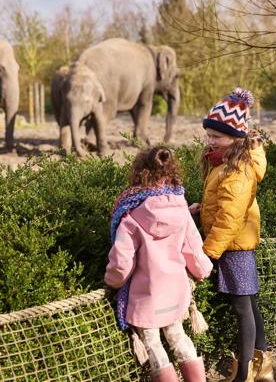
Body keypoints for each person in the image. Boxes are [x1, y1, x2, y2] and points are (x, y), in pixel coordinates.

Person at [105, 145, 213, 382]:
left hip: (146, 297)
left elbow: (121, 263)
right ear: (172, 172)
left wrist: (112, 282)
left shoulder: (130, 215)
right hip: (175, 293)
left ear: (138, 174)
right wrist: (203, 271)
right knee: (180, 339)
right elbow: (193, 249)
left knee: (154, 347)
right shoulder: (181, 208)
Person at [188, 87, 275, 382]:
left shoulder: (236, 170)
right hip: (233, 244)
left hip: (234, 247)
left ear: (236, 138)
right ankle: (263, 367)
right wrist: (203, 209)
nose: (210, 141)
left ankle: (245, 374)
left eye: (217, 136)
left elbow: (231, 217)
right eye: (209, 134)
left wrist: (208, 252)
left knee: (242, 309)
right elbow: (222, 204)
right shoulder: (223, 162)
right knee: (248, 304)